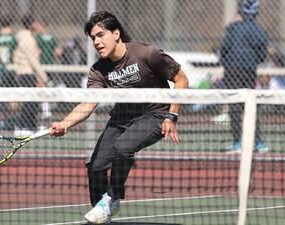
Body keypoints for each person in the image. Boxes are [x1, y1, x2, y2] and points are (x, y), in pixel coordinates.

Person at [49, 11, 189, 224]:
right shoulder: (98, 70)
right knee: (96, 167)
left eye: (100, 35)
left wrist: (172, 115)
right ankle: (102, 213)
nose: (96, 41)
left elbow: (181, 79)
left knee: (123, 148)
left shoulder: (147, 54)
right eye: (93, 38)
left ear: (116, 34)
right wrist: (65, 124)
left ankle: (113, 197)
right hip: (121, 117)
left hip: (155, 115)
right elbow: (88, 104)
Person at [219, 0, 269, 153]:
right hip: (248, 71)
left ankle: (238, 142)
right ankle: (258, 142)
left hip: (232, 71)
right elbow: (262, 54)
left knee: (235, 105)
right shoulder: (259, 30)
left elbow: (224, 50)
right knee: (250, 105)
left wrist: (226, 62)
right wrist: (252, 62)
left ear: (241, 11)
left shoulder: (233, 28)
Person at [13, 15, 49, 136]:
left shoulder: (27, 38)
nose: (39, 25)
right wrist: (44, 77)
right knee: (30, 102)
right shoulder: (28, 39)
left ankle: (31, 125)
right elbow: (33, 61)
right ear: (31, 24)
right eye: (36, 22)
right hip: (26, 73)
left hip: (27, 73)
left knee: (32, 101)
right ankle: (24, 126)